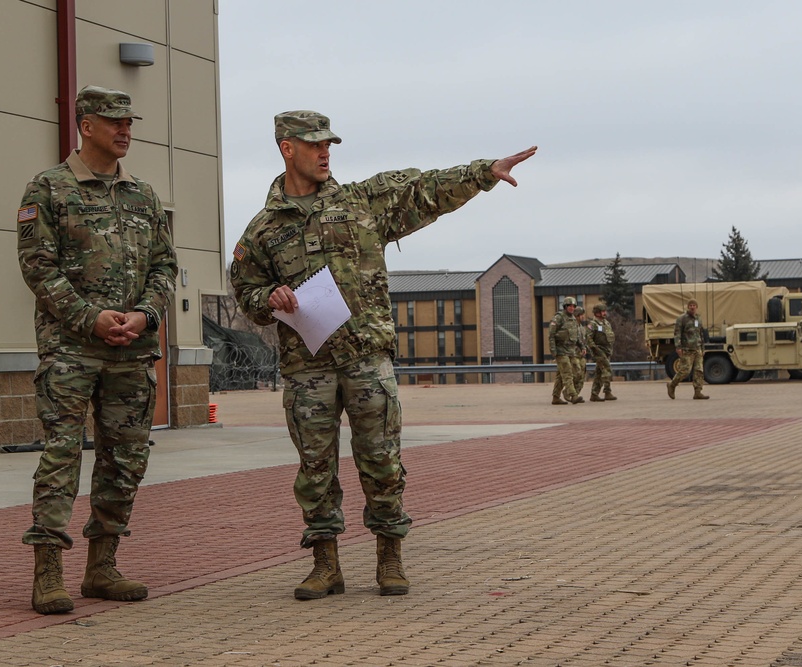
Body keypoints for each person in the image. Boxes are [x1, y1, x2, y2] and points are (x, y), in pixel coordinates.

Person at [231, 110, 536, 599]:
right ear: (287, 148)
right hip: (308, 367)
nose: (325, 151)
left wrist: (483, 172)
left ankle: (389, 557)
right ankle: (325, 564)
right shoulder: (264, 229)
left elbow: (425, 190)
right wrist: (268, 298)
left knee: (382, 461)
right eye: (313, 145)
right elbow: (244, 289)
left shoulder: (361, 204)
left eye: (329, 143)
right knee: (315, 468)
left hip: (366, 359)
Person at [16, 85, 178, 614]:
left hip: (131, 352)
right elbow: (38, 268)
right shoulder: (50, 189)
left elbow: (165, 266)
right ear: (86, 125)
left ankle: (102, 567)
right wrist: (91, 319)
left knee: (125, 459)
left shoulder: (144, 196)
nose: (125, 130)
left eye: (129, 121)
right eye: (114, 122)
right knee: (62, 455)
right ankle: (48, 573)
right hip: (71, 350)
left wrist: (144, 315)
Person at [667, 299, 709, 400]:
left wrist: (702, 348)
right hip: (687, 349)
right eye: (690, 305)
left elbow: (701, 334)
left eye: (694, 305)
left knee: (699, 371)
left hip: (697, 349)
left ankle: (698, 392)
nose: (692, 307)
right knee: (685, 371)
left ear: (696, 307)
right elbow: (677, 334)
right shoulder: (682, 318)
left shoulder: (698, 318)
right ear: (688, 306)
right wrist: (678, 347)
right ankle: (672, 385)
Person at [549, 297, 584, 405]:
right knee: (567, 372)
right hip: (561, 351)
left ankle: (556, 397)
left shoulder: (573, 319)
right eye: (570, 306)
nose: (572, 308)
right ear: (565, 307)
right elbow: (551, 335)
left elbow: (576, 336)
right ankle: (573, 395)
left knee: (576, 371)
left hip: (571, 351)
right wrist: (553, 351)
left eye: (573, 306)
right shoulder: (559, 318)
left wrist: (582, 347)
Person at [587, 304, 617, 401]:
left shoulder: (606, 323)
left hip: (607, 351)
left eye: (605, 311)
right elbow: (588, 338)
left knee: (599, 373)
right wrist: (595, 349)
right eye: (602, 311)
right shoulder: (593, 324)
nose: (605, 313)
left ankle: (594, 394)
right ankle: (607, 392)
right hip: (599, 352)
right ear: (597, 313)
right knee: (607, 370)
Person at [572, 307, 588, 397]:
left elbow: (583, 340)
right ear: (577, 316)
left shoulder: (582, 327)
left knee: (582, 376)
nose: (583, 317)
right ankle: (569, 392)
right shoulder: (572, 327)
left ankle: (575, 395)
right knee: (576, 374)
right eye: (581, 315)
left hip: (581, 355)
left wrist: (584, 349)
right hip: (573, 354)